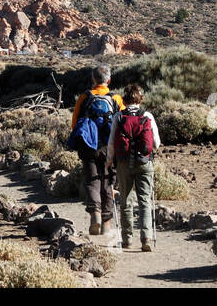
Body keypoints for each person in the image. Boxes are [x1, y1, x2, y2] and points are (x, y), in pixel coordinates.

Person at [67, 65, 124, 236]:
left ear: (93, 79)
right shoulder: (116, 98)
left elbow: (75, 123)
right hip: (110, 146)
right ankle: (106, 224)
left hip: (89, 145)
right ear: (109, 80)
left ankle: (95, 216)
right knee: (108, 182)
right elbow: (122, 124)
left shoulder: (85, 97)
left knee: (92, 181)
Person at [107, 83, 161, 251]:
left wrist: (109, 161)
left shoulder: (118, 117)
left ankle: (127, 239)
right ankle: (146, 238)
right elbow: (156, 144)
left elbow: (111, 144)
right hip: (145, 163)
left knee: (126, 201)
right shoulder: (148, 116)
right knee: (145, 201)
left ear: (124, 99)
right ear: (140, 99)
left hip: (123, 163)